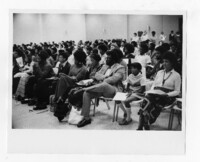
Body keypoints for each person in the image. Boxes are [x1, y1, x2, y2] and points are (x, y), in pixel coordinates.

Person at [77, 49, 126, 127]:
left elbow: (114, 79)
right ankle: (86, 118)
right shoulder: (105, 66)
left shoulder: (120, 68)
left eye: (109, 58)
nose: (107, 59)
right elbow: (96, 75)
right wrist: (106, 76)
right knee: (87, 94)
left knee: (104, 85)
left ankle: (86, 88)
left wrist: (102, 78)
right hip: (100, 88)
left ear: (114, 59)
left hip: (113, 90)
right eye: (107, 58)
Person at [137, 51, 181, 130]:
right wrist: (150, 91)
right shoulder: (159, 72)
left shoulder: (176, 75)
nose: (164, 63)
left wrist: (167, 95)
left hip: (167, 96)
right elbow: (154, 84)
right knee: (147, 98)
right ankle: (144, 121)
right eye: (163, 61)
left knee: (149, 101)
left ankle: (143, 120)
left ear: (172, 63)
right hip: (156, 93)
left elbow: (177, 91)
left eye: (166, 62)